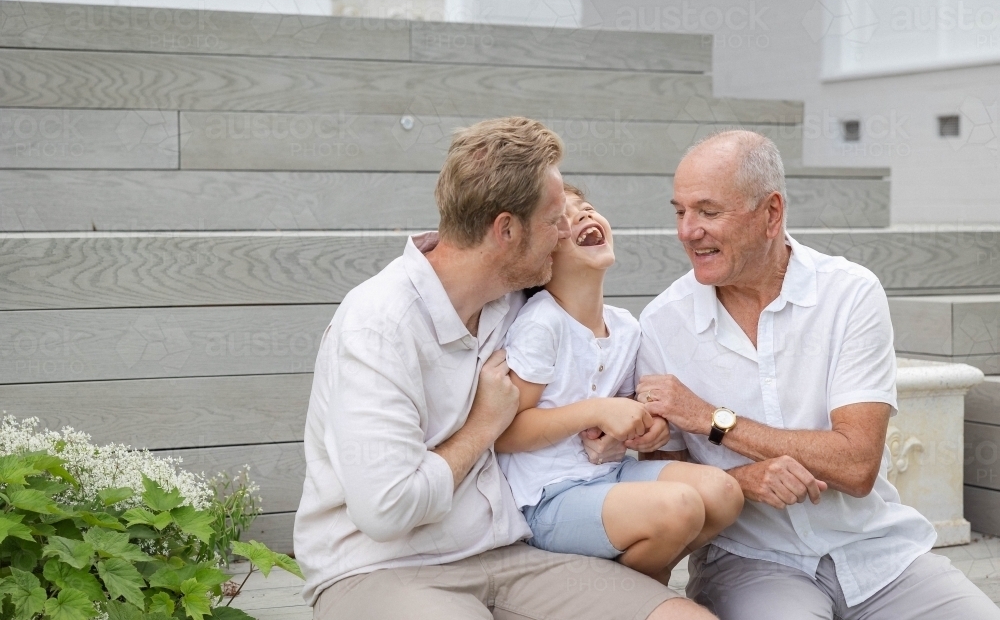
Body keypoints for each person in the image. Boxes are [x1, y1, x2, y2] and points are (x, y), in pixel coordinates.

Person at [294, 117, 716, 620]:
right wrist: (484, 424)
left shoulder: (513, 300)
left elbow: (586, 361)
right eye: (555, 219)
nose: (566, 231)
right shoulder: (377, 327)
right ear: (506, 230)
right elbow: (388, 510)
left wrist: (617, 426)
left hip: (511, 555)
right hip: (382, 568)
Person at [634, 129, 1000, 620]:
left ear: (771, 214)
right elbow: (663, 487)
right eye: (680, 211)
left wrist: (714, 421)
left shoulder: (849, 294)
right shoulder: (661, 325)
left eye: (708, 211)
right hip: (753, 563)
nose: (687, 231)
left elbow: (855, 466)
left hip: (878, 554)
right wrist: (742, 480)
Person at [495, 184, 743, 585]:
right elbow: (505, 432)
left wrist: (647, 430)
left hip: (607, 480)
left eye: (588, 207)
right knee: (679, 507)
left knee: (723, 494)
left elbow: (631, 410)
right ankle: (627, 595)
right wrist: (595, 412)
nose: (584, 216)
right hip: (548, 499)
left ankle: (616, 589)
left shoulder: (626, 327)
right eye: (562, 218)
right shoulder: (543, 324)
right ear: (540, 252)